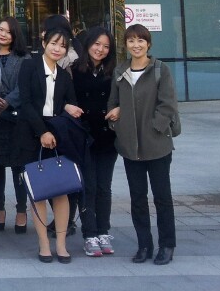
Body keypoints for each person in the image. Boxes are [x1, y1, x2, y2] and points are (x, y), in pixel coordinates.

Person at [106, 24, 180, 266]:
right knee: (137, 198)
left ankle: (166, 245)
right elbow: (112, 104)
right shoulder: (120, 71)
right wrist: (117, 122)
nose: (136, 45)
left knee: (162, 197)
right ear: (125, 44)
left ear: (148, 44)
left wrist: (155, 128)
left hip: (157, 145)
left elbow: (168, 104)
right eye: (131, 41)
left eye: (140, 40)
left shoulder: (160, 70)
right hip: (130, 148)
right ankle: (144, 245)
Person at [16, 23, 82, 264]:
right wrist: (42, 131)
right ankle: (44, 243)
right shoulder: (29, 66)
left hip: (57, 137)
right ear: (44, 43)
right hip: (32, 134)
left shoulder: (64, 76)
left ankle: (61, 244)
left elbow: (68, 102)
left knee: (61, 191)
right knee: (39, 192)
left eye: (62, 46)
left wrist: (67, 107)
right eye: (53, 43)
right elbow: (25, 102)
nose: (57, 49)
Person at [72, 26, 118, 257]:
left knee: (104, 187)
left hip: (107, 136)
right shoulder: (73, 70)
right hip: (84, 136)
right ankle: (89, 234)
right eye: (97, 44)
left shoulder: (115, 72)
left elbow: (123, 99)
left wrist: (119, 108)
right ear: (88, 44)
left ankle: (103, 231)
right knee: (88, 186)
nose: (100, 49)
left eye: (106, 46)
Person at [0, 16, 29, 234]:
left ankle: (22, 210)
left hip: (16, 118)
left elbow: (26, 85)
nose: (2, 34)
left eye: (7, 31)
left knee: (18, 167)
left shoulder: (24, 57)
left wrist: (7, 101)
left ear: (15, 36)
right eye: (0, 29)